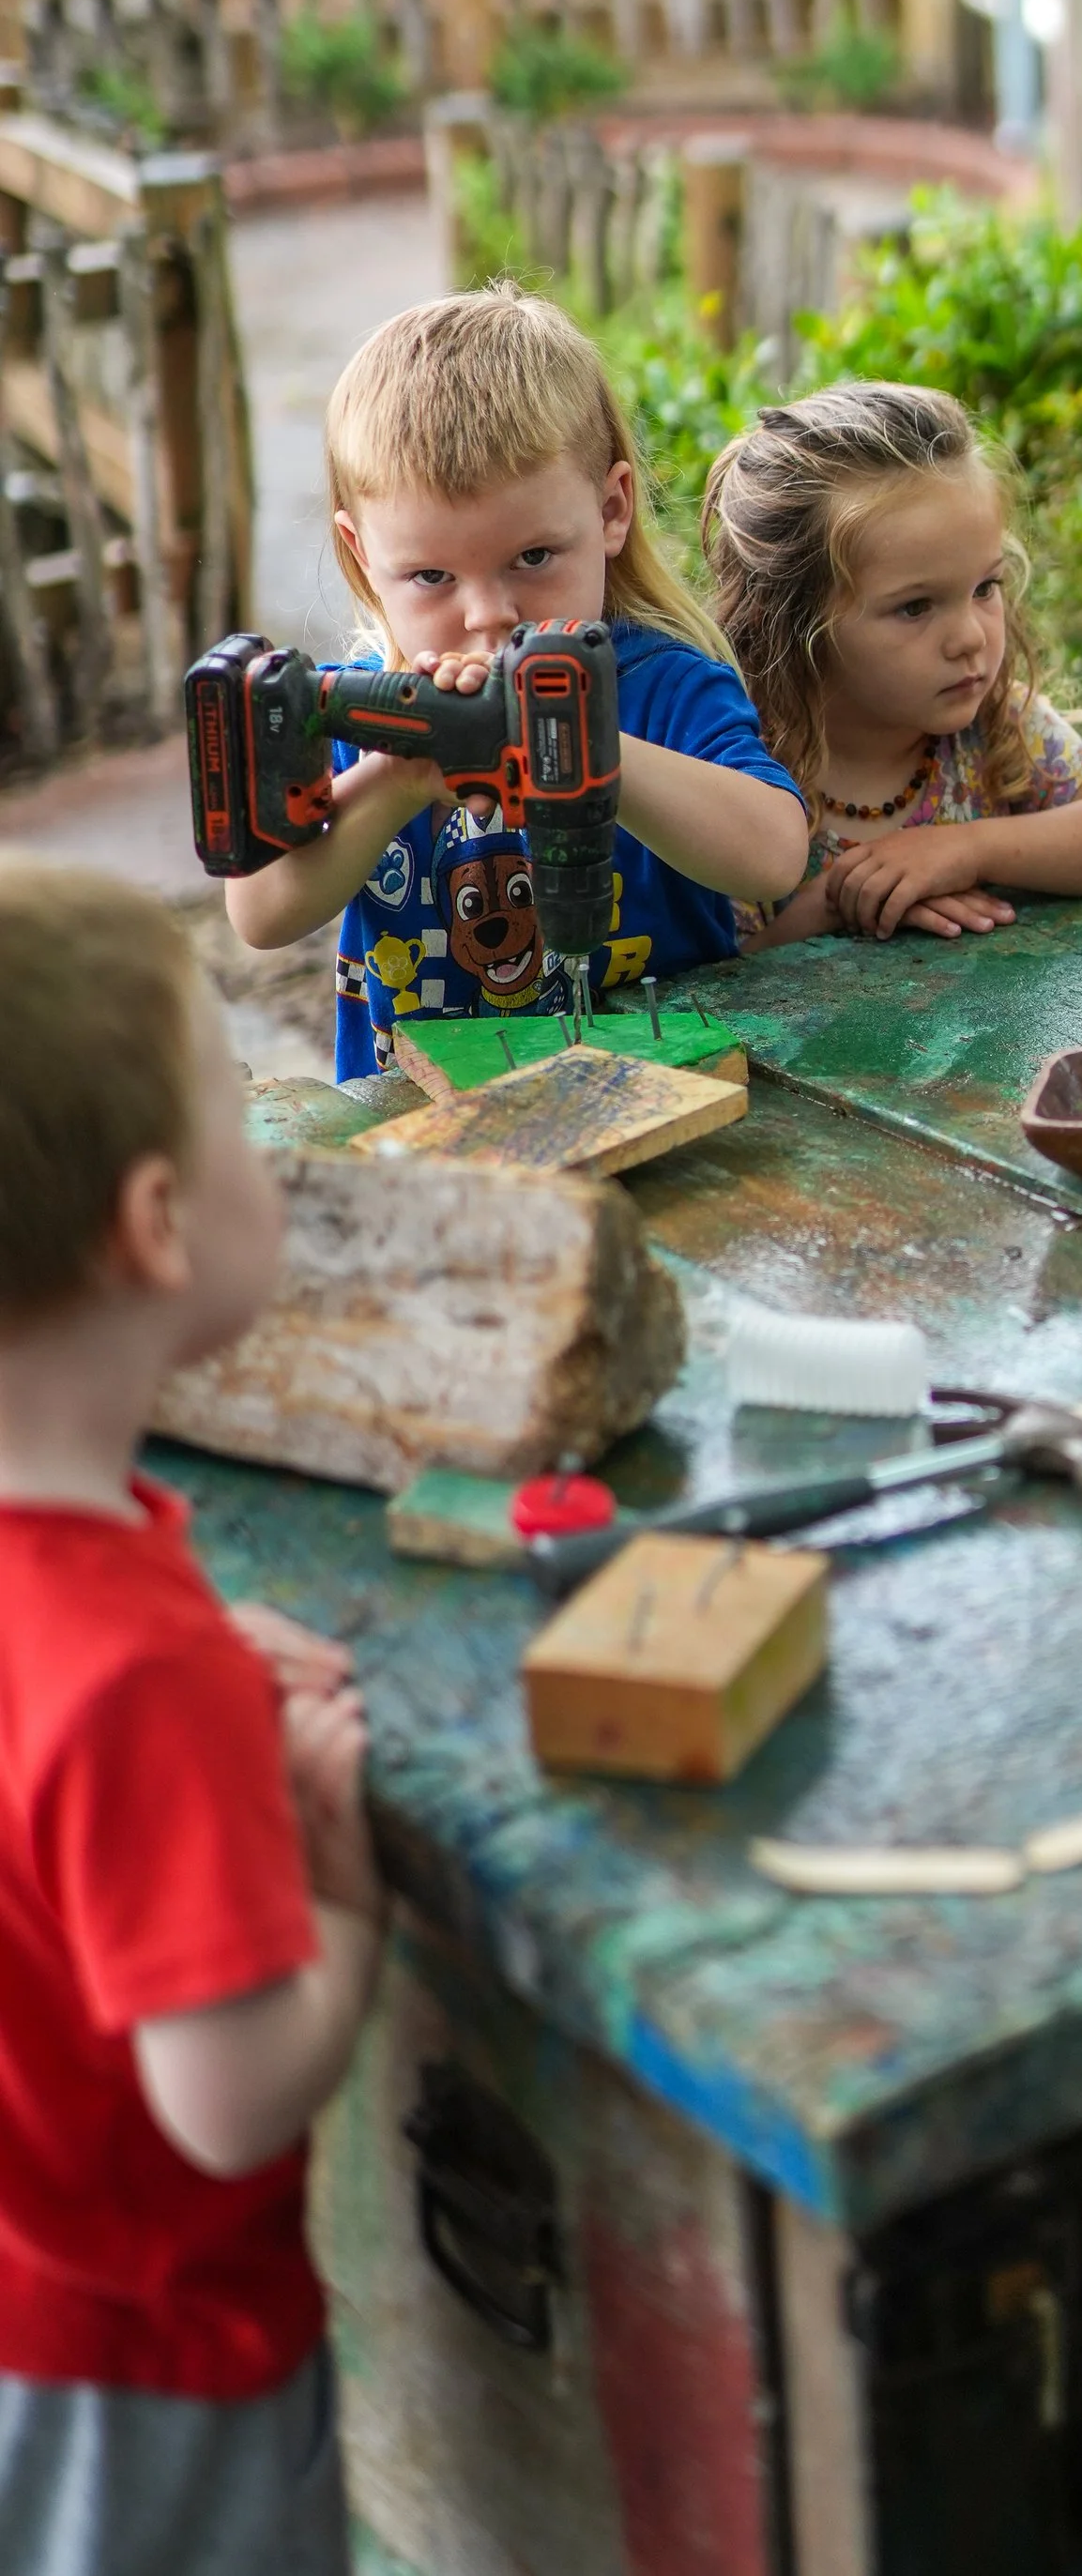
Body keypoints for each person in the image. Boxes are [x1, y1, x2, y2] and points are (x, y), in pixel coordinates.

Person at [0, 861, 381, 2576]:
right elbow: (226, 2103)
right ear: (157, 1222)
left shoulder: (94, 1606)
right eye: (239, 1106)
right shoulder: (140, 1677)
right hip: (148, 2390)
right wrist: (344, 1912)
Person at [226, 284, 810, 1077]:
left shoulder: (664, 685)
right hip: (430, 1134)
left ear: (611, 510)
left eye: (533, 558)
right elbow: (259, 914)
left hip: (671, 1101)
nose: (488, 617)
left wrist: (591, 745)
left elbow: (774, 859)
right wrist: (395, 780)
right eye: (431, 575)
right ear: (363, 555)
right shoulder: (356, 717)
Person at [702, 381, 1082, 942]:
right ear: (794, 625)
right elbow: (723, 978)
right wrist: (840, 901)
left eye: (984, 588)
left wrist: (965, 850)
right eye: (915, 607)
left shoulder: (995, 728)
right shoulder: (744, 772)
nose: (971, 638)